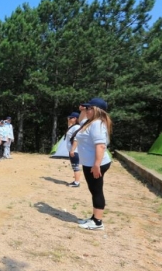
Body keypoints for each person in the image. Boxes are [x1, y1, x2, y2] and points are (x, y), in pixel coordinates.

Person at [73, 98, 113, 230]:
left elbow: (100, 146)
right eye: (87, 108)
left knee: (96, 190)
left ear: (96, 110)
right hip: (90, 163)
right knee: (94, 190)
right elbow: (80, 120)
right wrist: (82, 110)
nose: (87, 110)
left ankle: (97, 222)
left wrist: (96, 165)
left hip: (96, 163)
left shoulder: (97, 124)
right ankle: (94, 218)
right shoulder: (90, 122)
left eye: (89, 108)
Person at [65, 112, 81, 187]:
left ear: (75, 119)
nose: (68, 119)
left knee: (75, 166)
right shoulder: (72, 126)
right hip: (72, 150)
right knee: (74, 165)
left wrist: (72, 150)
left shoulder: (76, 127)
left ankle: (77, 182)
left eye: (70, 118)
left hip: (75, 150)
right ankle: (76, 181)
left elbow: (76, 139)